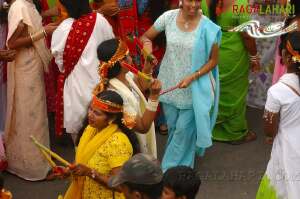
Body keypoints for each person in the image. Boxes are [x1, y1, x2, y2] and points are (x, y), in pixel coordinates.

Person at [141, 0, 221, 171]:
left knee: (183, 131)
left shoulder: (208, 27)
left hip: (194, 88)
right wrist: (148, 55)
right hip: (169, 84)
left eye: (197, 0)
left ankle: (168, 172)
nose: (193, 5)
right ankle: (182, 167)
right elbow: (146, 37)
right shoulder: (168, 18)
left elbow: (214, 61)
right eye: (189, 0)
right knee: (174, 129)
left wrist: (193, 77)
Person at [5, 0, 56, 180]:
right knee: (30, 116)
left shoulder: (27, 5)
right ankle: (35, 169)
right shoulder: (20, 6)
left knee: (28, 116)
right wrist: (43, 32)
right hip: (25, 65)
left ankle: (23, 165)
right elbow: (11, 43)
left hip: (29, 63)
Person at [51, 0, 114, 140]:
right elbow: (111, 50)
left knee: (80, 140)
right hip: (100, 89)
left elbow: (61, 64)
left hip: (75, 90)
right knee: (103, 138)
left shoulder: (62, 29)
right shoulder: (100, 21)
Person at [59, 90, 139, 199]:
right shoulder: (90, 129)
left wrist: (90, 173)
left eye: (97, 113)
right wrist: (69, 170)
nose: (90, 115)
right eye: (90, 109)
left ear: (112, 118)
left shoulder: (117, 142)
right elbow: (83, 159)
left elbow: (121, 186)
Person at [202, 0, 260, 144]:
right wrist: (254, 56)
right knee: (234, 93)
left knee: (213, 90)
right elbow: (247, 35)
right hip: (232, 56)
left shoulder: (202, 2)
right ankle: (234, 133)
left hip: (209, 51)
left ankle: (212, 129)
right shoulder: (239, 3)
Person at [96, 38, 161, 157]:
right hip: (130, 148)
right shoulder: (115, 95)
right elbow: (142, 127)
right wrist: (154, 98)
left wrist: (147, 66)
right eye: (128, 55)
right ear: (122, 63)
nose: (131, 58)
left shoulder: (126, 75)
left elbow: (142, 85)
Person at [256, 31, 300, 199]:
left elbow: (269, 129)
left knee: (284, 186)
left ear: (286, 57)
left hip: (287, 149)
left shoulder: (277, 91)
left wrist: (269, 136)